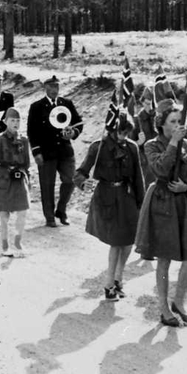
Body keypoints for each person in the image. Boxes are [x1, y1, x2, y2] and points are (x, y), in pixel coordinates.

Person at [135, 99, 187, 327]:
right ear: (162, 124)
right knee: (164, 258)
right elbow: (160, 169)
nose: (177, 125)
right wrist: (173, 144)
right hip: (162, 204)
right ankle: (164, 308)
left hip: (183, 205)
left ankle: (179, 302)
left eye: (179, 121)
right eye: (172, 121)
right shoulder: (152, 145)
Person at [75, 113, 145, 300]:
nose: (124, 136)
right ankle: (109, 285)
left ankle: (118, 279)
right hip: (106, 198)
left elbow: (138, 177)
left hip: (127, 196)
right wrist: (84, 183)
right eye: (120, 133)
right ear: (112, 130)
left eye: (126, 133)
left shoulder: (131, 147)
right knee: (116, 242)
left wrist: (141, 203)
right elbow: (80, 172)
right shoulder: (99, 147)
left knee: (129, 240)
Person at [26, 74, 83, 227]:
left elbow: (78, 124)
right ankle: (49, 216)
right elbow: (32, 131)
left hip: (65, 151)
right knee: (47, 185)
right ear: (45, 87)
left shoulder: (66, 103)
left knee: (70, 180)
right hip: (46, 153)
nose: (54, 89)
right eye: (51, 86)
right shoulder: (37, 107)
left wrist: (73, 133)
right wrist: (36, 152)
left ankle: (61, 210)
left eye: (56, 86)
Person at [0, 106, 31, 256]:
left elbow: (27, 163)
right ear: (5, 122)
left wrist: (26, 178)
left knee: (22, 212)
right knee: (3, 215)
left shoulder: (23, 140)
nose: (16, 123)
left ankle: (18, 241)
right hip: (3, 178)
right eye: (12, 120)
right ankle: (4, 245)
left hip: (19, 178)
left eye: (18, 120)